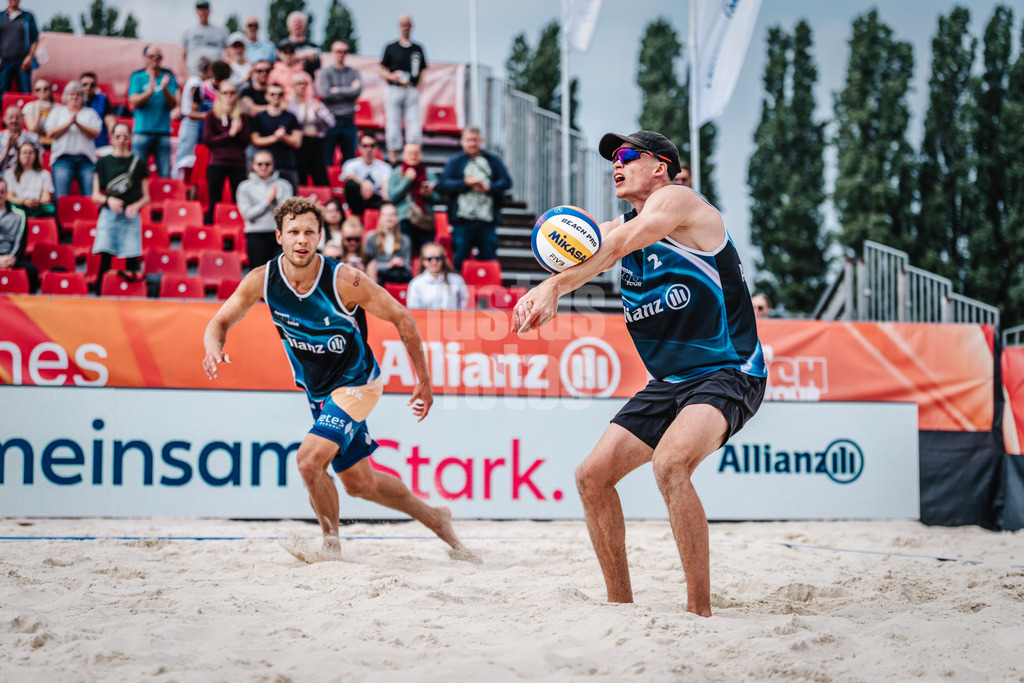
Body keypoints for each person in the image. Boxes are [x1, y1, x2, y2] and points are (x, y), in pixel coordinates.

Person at [512, 130, 767, 617]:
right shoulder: (616, 226)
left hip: (729, 370)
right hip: (670, 383)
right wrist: (545, 288)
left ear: (660, 167)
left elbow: (618, 245)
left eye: (628, 155)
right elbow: (598, 248)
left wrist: (554, 289)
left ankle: (699, 612)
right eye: (613, 158)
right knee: (592, 477)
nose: (616, 163)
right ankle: (620, 606)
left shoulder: (679, 201)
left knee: (670, 465)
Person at [201, 196, 477, 562]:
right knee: (361, 484)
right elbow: (218, 322)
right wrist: (212, 347)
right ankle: (436, 517)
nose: (302, 240)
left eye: (310, 233)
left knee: (309, 462)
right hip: (320, 394)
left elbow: (402, 317)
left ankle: (330, 545)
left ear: (319, 236)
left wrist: (423, 380)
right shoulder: (262, 280)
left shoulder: (345, 279)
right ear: (279, 236)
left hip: (357, 384)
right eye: (294, 232)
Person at [436, 126, 511, 270]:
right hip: (462, 219)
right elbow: (443, 184)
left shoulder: (493, 160)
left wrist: (489, 188)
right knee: (460, 257)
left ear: (481, 140)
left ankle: (487, 287)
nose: (472, 144)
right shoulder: (455, 161)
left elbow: (506, 181)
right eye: (468, 140)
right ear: (462, 141)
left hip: (487, 219)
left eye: (475, 140)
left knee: (489, 257)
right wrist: (465, 183)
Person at [91, 121, 149, 289]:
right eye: (118, 136)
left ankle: (131, 297)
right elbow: (95, 195)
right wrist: (108, 200)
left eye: (125, 136)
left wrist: (137, 206)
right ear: (112, 138)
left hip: (130, 215)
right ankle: (100, 294)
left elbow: (146, 197)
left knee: (131, 259)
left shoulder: (138, 163)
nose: (122, 140)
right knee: (106, 257)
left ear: (130, 138)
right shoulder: (102, 163)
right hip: (109, 213)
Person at [379, 14, 426, 165]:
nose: (405, 27)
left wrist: (419, 87)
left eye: (408, 24)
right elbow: (382, 69)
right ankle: (393, 161)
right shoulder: (391, 47)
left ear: (411, 26)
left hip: (410, 89)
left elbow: (423, 71)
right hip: (394, 89)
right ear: (399, 26)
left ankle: (413, 161)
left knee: (413, 127)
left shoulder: (417, 49)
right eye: (403, 24)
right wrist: (392, 76)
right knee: (393, 125)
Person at [202, 80, 250, 224]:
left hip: (238, 163)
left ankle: (236, 227)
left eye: (232, 92)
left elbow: (246, 141)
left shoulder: (243, 117)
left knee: (239, 199)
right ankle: (212, 229)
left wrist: (237, 133)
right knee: (214, 199)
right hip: (217, 162)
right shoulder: (212, 116)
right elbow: (208, 140)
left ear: (236, 95)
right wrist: (230, 134)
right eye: (225, 92)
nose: (229, 96)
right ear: (219, 95)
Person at [128, 45, 179, 179]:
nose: (155, 60)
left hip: (162, 132)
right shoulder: (137, 76)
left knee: (165, 175)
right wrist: (150, 91)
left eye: (158, 57)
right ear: (145, 58)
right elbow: (133, 102)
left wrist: (165, 90)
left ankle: (164, 199)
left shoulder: (168, 77)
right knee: (137, 175)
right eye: (151, 56)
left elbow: (173, 104)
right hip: (142, 131)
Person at [235, 150, 293, 268]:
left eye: (267, 164)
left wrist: (275, 201)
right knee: (259, 275)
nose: (264, 167)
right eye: (260, 164)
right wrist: (267, 202)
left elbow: (288, 213)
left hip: (280, 235)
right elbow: (248, 215)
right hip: (256, 235)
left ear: (273, 165)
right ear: (253, 165)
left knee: (281, 273)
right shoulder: (244, 187)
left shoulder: (284, 185)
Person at [44, 81, 101, 199]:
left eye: (78, 94)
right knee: (61, 197)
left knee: (90, 197)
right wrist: (69, 124)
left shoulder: (90, 113)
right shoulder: (57, 111)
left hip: (86, 160)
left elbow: (95, 133)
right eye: (71, 94)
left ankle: (89, 218)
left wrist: (78, 124)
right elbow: (50, 133)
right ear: (66, 96)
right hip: (62, 159)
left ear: (83, 97)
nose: (74, 97)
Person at [250, 82, 301, 190]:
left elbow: (297, 142)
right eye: (273, 94)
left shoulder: (290, 117)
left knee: (290, 202)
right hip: (264, 167)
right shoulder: (259, 118)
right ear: (266, 96)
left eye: (279, 94)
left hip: (287, 164)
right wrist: (275, 137)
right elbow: (255, 141)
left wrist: (283, 136)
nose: (276, 97)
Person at [389, 141, 438, 256]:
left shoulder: (428, 173)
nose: (413, 156)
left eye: (416, 153)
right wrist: (406, 180)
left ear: (421, 155)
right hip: (405, 218)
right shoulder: (397, 173)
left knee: (427, 254)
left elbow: (439, 197)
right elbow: (392, 196)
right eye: (410, 153)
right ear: (404, 155)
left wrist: (429, 194)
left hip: (424, 219)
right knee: (406, 253)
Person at [286, 71, 333, 188]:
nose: (302, 86)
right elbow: (294, 124)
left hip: (316, 141)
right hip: (300, 144)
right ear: (293, 86)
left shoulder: (315, 103)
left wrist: (317, 114)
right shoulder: (290, 106)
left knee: (320, 176)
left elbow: (331, 122)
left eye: (305, 83)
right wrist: (306, 111)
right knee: (301, 176)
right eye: (299, 83)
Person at [319, 41, 362, 166]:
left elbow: (357, 91)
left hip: (349, 120)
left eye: (344, 51)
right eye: (338, 51)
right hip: (330, 121)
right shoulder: (326, 72)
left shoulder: (354, 72)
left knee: (350, 161)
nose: (341, 54)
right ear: (332, 53)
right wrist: (348, 90)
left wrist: (337, 90)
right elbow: (326, 93)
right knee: (327, 160)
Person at [173, 56, 214, 180]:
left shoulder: (196, 81)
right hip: (191, 123)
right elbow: (197, 98)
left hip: (195, 123)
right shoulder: (196, 82)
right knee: (184, 159)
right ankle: (179, 185)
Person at [407, 242, 468, 310]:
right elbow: (414, 311)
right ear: (423, 261)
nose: (434, 262)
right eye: (429, 259)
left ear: (443, 260)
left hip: (452, 319)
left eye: (438, 258)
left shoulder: (457, 280)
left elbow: (464, 306)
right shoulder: (416, 284)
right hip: (424, 320)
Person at [341, 133, 390, 217]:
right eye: (365, 146)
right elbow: (348, 175)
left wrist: (386, 192)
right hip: (357, 201)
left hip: (376, 200)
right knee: (350, 184)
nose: (369, 149)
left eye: (372, 145)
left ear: (377, 147)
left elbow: (386, 183)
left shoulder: (385, 167)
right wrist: (363, 182)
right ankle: (356, 216)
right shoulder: (350, 164)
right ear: (359, 147)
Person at [0, 177, 36, 291]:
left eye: (2, 192)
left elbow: (21, 242)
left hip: (10, 256)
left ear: (7, 193)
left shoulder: (19, 215)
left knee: (31, 270)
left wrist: (12, 259)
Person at [364, 202, 411, 285]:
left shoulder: (405, 240)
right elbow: (367, 265)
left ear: (397, 218)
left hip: (397, 280)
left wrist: (400, 263)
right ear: (380, 218)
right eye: (385, 215)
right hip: (376, 280)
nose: (389, 218)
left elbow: (408, 265)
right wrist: (388, 265)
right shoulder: (371, 237)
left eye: (392, 215)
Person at [0, 0, 38, 101]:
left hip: (22, 64)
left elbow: (35, 39)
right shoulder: (1, 16)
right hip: (3, 63)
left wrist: (30, 56)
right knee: (2, 94)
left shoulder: (28, 17)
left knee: (26, 94)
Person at [4, 141, 53, 217]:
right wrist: (24, 202)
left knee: (50, 209)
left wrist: (37, 203)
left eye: (30, 153)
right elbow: (9, 196)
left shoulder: (44, 174)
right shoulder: (9, 173)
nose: (27, 156)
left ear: (35, 155)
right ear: (19, 155)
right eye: (24, 153)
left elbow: (46, 197)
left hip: (37, 206)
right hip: (18, 205)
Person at [180, 0, 228, 79]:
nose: (203, 12)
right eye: (200, 9)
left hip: (215, 78)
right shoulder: (188, 32)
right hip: (195, 77)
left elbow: (229, 53)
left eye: (205, 9)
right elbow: (181, 56)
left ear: (209, 11)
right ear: (196, 11)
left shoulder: (222, 31)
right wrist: (188, 77)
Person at [277, 11, 320, 81]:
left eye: (300, 22)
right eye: (294, 23)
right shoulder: (281, 44)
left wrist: (292, 57)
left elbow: (317, 64)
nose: (297, 25)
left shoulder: (312, 45)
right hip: (286, 81)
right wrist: (305, 54)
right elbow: (278, 61)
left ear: (305, 26)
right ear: (288, 26)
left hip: (307, 83)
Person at [79, 72, 117, 151]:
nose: (88, 87)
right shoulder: (74, 100)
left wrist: (115, 136)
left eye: (92, 85)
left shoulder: (102, 99)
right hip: (80, 145)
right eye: (85, 84)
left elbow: (110, 121)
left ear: (96, 86)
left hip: (100, 144)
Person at [0, 105, 39, 174]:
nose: (14, 120)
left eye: (17, 117)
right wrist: (7, 150)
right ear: (4, 119)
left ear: (23, 119)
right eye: (11, 117)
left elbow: (38, 166)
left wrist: (18, 149)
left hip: (25, 178)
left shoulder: (33, 138)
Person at [22, 78, 54, 146]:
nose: (42, 91)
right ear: (35, 92)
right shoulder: (29, 107)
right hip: (35, 143)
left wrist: (53, 113)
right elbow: (33, 131)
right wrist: (39, 115)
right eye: (38, 89)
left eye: (45, 88)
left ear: (50, 90)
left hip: (54, 142)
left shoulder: (58, 108)